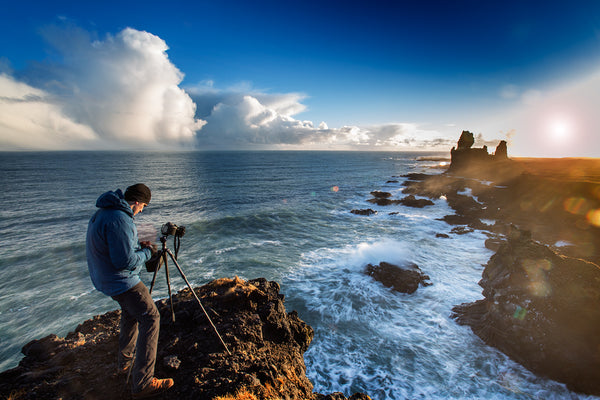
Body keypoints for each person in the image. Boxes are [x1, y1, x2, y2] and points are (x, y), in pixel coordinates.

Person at [86, 183, 174, 399]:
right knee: (151, 317)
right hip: (120, 281)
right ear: (135, 201)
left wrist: (136, 247)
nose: (142, 210)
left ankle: (124, 364)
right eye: (143, 205)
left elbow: (115, 248)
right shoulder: (120, 219)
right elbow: (123, 261)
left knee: (131, 313)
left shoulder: (103, 213)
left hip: (103, 279)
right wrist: (146, 252)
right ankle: (143, 383)